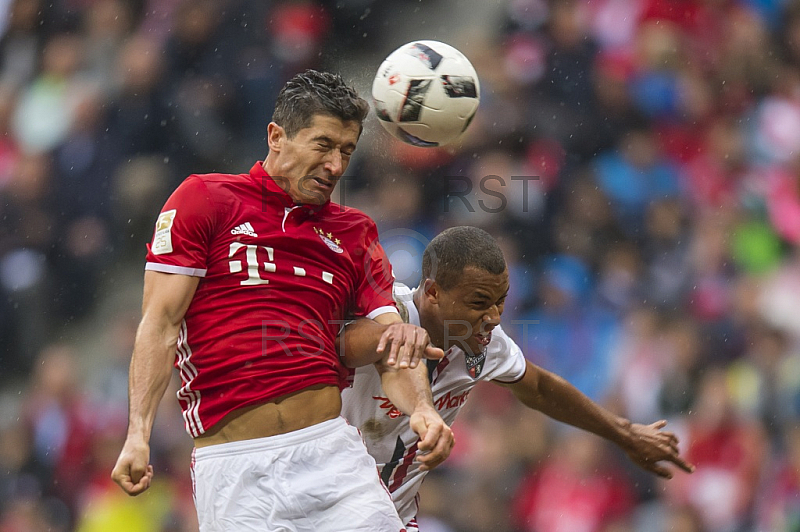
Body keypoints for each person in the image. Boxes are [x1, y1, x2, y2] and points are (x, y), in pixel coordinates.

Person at [110, 70, 454, 531]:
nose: (336, 165)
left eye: (347, 151)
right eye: (323, 145)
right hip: (234, 472)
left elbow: (394, 343)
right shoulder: (204, 200)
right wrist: (138, 436)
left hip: (330, 457)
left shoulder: (354, 232)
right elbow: (160, 323)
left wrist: (424, 411)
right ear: (277, 136)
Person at [341, 226, 695, 531]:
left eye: (500, 301)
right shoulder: (384, 316)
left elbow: (540, 388)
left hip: (392, 516)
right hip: (324, 502)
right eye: (479, 301)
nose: (493, 317)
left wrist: (623, 433)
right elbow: (339, 346)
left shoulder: (481, 342)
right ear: (432, 292)